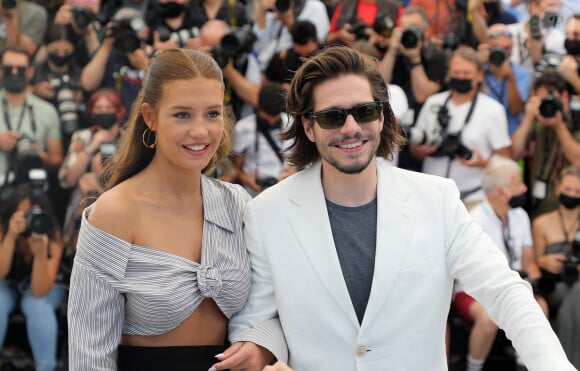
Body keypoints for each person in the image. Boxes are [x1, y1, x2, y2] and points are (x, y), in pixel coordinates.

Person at [210, 45, 576, 371]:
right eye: (333, 117)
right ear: (308, 127)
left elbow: (505, 290)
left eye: (364, 111)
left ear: (382, 117)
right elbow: (256, 321)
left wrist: (551, 364)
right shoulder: (267, 212)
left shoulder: (437, 199)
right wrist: (265, 352)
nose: (351, 128)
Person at [67, 48, 273, 370]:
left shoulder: (236, 203)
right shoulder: (115, 212)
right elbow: (89, 352)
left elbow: (270, 308)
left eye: (212, 114)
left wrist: (261, 344)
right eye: (182, 115)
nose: (200, 132)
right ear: (150, 116)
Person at [452, 155, 545, 371]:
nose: (524, 188)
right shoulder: (474, 220)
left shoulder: (520, 215)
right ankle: (473, 368)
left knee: (540, 306)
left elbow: (528, 262)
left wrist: (534, 283)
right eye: (518, 184)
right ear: (501, 191)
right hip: (473, 290)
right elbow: (469, 273)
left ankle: (525, 365)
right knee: (488, 318)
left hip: (512, 284)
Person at [411, 46, 512, 209]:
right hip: (431, 195)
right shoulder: (433, 103)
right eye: (456, 73)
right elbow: (415, 148)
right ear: (448, 74)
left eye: (466, 74)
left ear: (479, 75)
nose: (460, 77)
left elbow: (505, 158)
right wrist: (421, 150)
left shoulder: (493, 110)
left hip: (473, 195)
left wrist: (483, 162)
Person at [0, 181, 67, 371]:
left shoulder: (51, 232)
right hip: (8, 282)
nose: (29, 221)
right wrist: (11, 237)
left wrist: (39, 254)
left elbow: (39, 291)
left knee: (36, 305)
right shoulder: (4, 226)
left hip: (44, 287)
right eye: (23, 215)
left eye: (33, 216)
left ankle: (45, 367)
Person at [511, 70, 580, 218]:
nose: (547, 105)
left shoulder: (575, 122)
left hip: (566, 204)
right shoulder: (533, 123)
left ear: (565, 97)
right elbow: (514, 154)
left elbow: (578, 159)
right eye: (542, 100)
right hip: (532, 202)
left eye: (552, 100)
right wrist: (528, 118)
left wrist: (559, 126)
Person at [532, 165, 580, 367]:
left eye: (578, 192)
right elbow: (531, 261)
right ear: (558, 187)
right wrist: (545, 261)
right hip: (552, 286)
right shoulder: (542, 223)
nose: (572, 195)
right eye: (568, 189)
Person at [0, 46, 63, 199]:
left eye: (20, 69)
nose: (14, 73)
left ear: (30, 72)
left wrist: (40, 155)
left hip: (32, 194)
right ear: (1, 71)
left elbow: (56, 159)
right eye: (8, 68)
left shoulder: (47, 111)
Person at [232, 82, 293, 196]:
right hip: (253, 193)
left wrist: (291, 173)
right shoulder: (243, 128)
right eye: (268, 117)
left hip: (285, 189)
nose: (271, 121)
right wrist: (244, 178)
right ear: (259, 107)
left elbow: (297, 160)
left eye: (275, 117)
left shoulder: (291, 124)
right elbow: (236, 165)